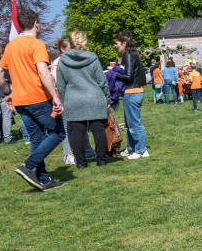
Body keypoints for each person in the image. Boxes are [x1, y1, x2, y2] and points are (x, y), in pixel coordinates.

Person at [0, 7, 66, 190]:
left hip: (20, 100)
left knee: (37, 138)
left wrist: (7, 93)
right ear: (36, 24)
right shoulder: (37, 45)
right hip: (38, 97)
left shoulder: (11, 46)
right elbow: (43, 70)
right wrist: (55, 96)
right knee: (58, 132)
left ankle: (42, 179)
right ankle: (29, 165)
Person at [55, 31, 110, 168]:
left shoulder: (63, 61)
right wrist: (107, 97)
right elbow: (101, 81)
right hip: (94, 97)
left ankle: (80, 162)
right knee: (98, 129)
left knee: (76, 132)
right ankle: (101, 160)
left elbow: (61, 85)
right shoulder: (93, 58)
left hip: (73, 100)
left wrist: (63, 101)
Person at [114, 31, 149, 159]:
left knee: (134, 123)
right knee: (129, 124)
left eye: (116, 43)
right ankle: (131, 148)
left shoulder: (128, 56)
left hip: (132, 93)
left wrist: (113, 73)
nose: (115, 46)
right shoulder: (132, 55)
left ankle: (141, 150)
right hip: (134, 93)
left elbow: (128, 77)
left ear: (124, 43)